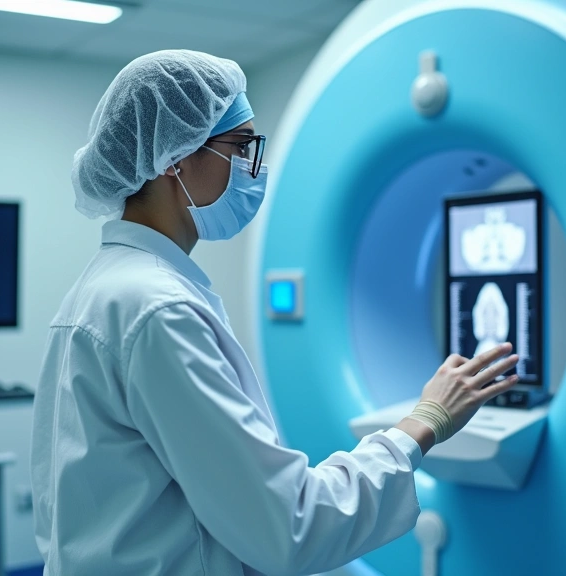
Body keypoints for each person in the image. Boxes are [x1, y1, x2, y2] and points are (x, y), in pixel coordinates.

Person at [30, 50, 519, 576]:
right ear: (174, 158)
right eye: (241, 147)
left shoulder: (100, 290)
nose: (253, 168)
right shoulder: (158, 309)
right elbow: (288, 527)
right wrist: (426, 421)